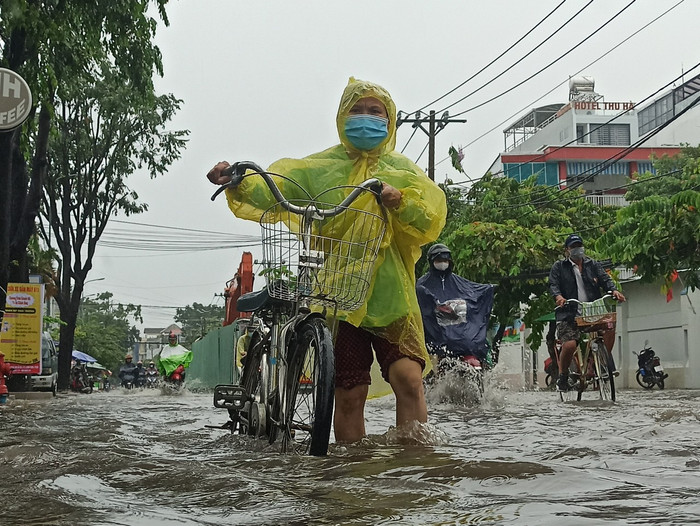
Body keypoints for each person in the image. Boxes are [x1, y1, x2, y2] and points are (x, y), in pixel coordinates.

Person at [206, 77, 447, 443]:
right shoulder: (322, 168)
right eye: (357, 111)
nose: (366, 119)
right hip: (340, 296)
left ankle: (411, 472)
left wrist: (402, 202)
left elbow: (431, 216)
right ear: (342, 117)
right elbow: (279, 184)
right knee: (350, 393)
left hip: (391, 295)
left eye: (375, 112)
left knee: (409, 380)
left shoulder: (404, 171)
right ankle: (352, 477)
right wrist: (239, 180)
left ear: (389, 120)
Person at [549, 233, 626, 392]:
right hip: (569, 314)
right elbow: (553, 285)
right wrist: (559, 297)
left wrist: (614, 291)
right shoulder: (559, 267)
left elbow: (606, 280)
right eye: (573, 247)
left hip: (593, 311)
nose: (577, 250)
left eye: (579, 246)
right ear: (567, 250)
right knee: (569, 345)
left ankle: (602, 360)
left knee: (610, 325)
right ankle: (563, 376)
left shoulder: (593, 264)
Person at [416, 243, 495, 371]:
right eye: (439, 260)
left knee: (480, 348)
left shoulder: (459, 282)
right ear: (431, 261)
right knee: (430, 369)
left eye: (445, 260)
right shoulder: (421, 285)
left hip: (462, 338)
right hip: (434, 337)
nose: (442, 263)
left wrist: (489, 289)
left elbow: (474, 292)